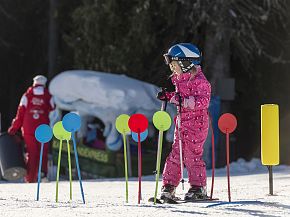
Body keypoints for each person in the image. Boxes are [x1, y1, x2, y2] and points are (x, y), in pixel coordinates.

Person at [157, 43, 211, 200]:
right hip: (182, 123)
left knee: (191, 155)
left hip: (197, 125)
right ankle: (169, 185)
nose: (173, 70)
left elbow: (203, 102)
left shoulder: (201, 81)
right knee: (176, 155)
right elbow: (180, 98)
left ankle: (198, 187)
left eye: (175, 66)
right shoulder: (180, 80)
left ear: (186, 64)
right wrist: (168, 96)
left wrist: (181, 100)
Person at [8, 75, 55, 183]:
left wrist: (14, 128)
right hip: (44, 128)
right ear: (44, 83)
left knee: (31, 152)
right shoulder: (48, 96)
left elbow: (20, 114)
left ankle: (30, 178)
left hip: (29, 128)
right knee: (43, 152)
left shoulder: (27, 95)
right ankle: (43, 175)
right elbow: (53, 113)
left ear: (34, 83)